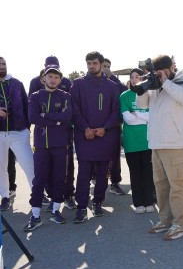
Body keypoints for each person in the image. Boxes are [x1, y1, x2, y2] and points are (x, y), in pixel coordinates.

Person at [134, 55, 183, 240]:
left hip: (175, 143)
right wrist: (142, 87)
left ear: (170, 68)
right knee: (160, 185)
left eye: (163, 72)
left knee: (178, 185)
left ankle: (181, 224)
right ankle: (165, 220)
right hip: (156, 143)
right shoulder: (155, 85)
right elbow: (140, 104)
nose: (159, 76)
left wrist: (166, 81)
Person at [70, 51, 121, 223]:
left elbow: (116, 111)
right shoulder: (77, 85)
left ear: (101, 64)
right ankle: (81, 207)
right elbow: (74, 110)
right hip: (85, 137)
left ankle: (98, 202)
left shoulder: (112, 87)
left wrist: (105, 128)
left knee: (102, 173)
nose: (91, 66)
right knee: (84, 173)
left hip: (105, 137)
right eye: (89, 63)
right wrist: (85, 128)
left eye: (94, 63)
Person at [24, 66, 72, 231]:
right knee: (39, 180)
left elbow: (67, 117)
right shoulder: (35, 97)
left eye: (56, 77)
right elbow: (33, 117)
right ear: (43, 79)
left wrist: (46, 115)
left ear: (60, 80)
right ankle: (35, 215)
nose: (53, 80)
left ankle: (55, 211)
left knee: (60, 179)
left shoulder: (65, 96)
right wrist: (56, 119)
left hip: (60, 145)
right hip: (41, 146)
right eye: (50, 77)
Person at [0, 57, 35, 211]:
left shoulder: (16, 83)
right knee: (1, 167)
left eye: (3, 64)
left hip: (19, 132)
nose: (2, 67)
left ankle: (38, 194)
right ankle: (5, 196)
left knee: (29, 165)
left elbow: (27, 105)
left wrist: (26, 127)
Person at [120, 68, 155, 214]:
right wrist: (142, 116)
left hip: (147, 141)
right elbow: (128, 119)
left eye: (138, 76)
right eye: (133, 77)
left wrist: (136, 114)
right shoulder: (124, 96)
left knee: (148, 173)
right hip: (131, 142)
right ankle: (138, 203)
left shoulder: (149, 95)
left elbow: (151, 117)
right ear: (130, 79)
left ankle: (149, 202)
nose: (136, 79)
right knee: (135, 173)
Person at [102, 58, 128, 195]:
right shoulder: (90, 82)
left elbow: (124, 90)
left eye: (108, 66)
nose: (105, 68)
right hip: (97, 125)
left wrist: (111, 76)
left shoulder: (114, 82)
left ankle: (115, 182)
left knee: (115, 156)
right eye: (103, 66)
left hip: (113, 125)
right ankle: (98, 182)